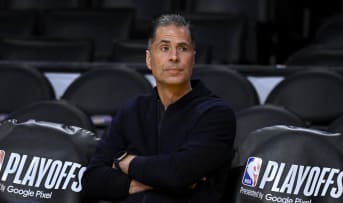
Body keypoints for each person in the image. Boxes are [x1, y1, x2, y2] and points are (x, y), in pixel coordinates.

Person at [81, 14, 236, 203]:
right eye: (164, 48)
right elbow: (92, 180)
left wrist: (124, 162)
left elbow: (178, 173)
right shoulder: (131, 110)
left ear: (193, 59)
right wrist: (138, 183)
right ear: (149, 59)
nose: (174, 57)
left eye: (183, 48)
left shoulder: (216, 114)